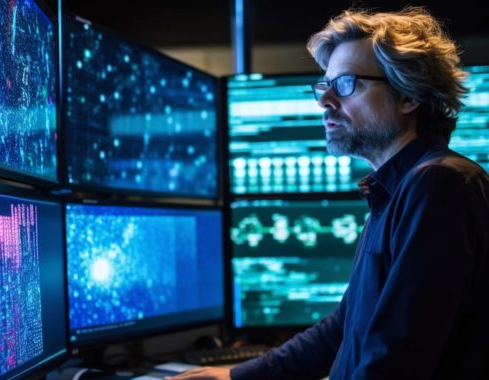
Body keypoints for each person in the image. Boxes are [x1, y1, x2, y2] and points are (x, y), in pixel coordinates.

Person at [166, 6, 489, 380]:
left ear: (408, 96)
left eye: (347, 84)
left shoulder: (439, 184)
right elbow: (341, 331)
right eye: (325, 85)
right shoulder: (395, 190)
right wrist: (232, 377)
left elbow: (393, 363)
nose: (325, 101)